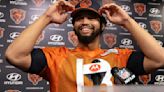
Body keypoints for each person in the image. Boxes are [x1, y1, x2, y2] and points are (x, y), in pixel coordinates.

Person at [5, 0, 164, 92]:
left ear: (102, 26)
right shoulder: (56, 56)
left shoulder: (120, 57)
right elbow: (14, 55)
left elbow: (160, 59)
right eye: (79, 19)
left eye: (91, 18)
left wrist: (127, 21)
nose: (85, 22)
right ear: (74, 27)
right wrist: (47, 17)